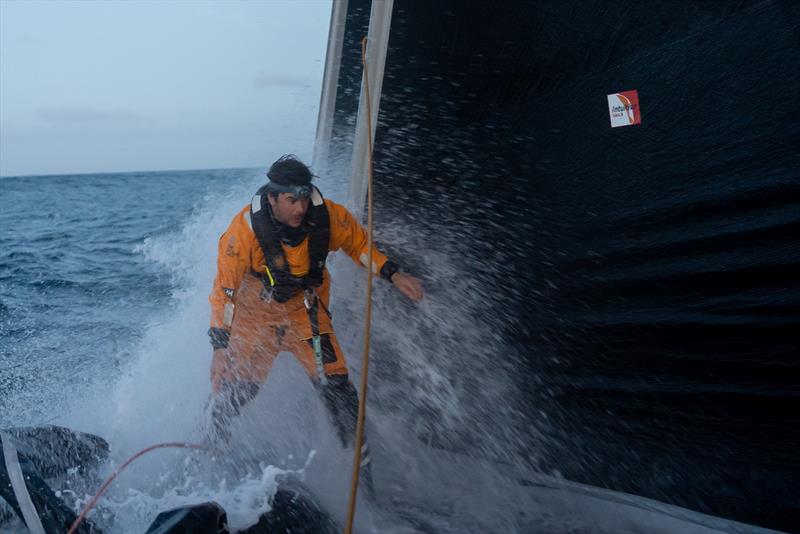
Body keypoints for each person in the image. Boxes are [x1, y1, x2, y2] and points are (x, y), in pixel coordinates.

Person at [206, 155, 424, 467]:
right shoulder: (242, 234)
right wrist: (219, 346)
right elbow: (224, 293)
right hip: (255, 323)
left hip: (305, 317)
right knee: (235, 394)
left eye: (304, 199)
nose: (299, 208)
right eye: (291, 200)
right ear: (272, 198)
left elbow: (359, 246)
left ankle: (359, 479)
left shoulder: (328, 217)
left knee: (339, 393)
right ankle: (207, 452)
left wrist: (394, 273)